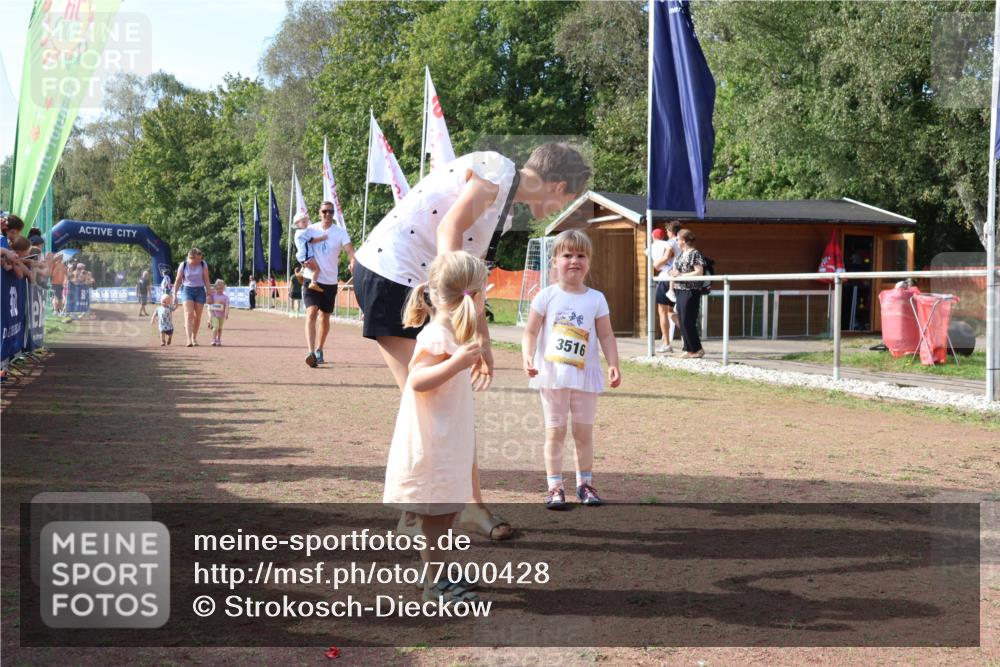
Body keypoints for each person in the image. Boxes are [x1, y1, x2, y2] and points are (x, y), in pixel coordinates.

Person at [354, 141, 591, 540]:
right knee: (433, 407)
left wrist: (481, 335)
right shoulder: (497, 172)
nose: (558, 209)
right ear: (559, 185)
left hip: (412, 282)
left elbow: (469, 283)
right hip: (392, 277)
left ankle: (464, 507)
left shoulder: (504, 206)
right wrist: (467, 326)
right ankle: (424, 513)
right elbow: (449, 233)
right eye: (566, 199)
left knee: (446, 405)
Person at [383, 251, 488, 606]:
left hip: (447, 438)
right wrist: (456, 363)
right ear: (472, 295)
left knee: (444, 517)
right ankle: (434, 586)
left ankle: (435, 574)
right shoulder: (436, 336)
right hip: (433, 442)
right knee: (438, 519)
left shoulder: (452, 332)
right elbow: (417, 379)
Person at [521, 230, 621, 509]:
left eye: (581, 255)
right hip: (552, 376)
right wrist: (527, 357)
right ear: (554, 261)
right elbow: (530, 332)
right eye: (567, 255)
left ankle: (585, 484)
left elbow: (606, 336)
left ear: (589, 262)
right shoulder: (545, 296)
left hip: (585, 377)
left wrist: (613, 364)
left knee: (583, 433)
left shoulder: (597, 298)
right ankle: (554, 487)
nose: (574, 260)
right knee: (555, 432)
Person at [295, 202, 355, 368]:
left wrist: (352, 261)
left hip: (329, 281)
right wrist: (302, 261)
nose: (327, 214)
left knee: (325, 316)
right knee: (312, 312)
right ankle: (311, 352)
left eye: (330, 212)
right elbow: (299, 244)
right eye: (324, 212)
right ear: (319, 212)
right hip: (311, 278)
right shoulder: (310, 229)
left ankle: (320, 349)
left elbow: (350, 250)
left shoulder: (340, 232)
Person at [669, 229, 709, 359]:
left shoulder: (695, 254)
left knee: (687, 320)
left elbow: (699, 272)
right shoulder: (681, 254)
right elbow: (676, 269)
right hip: (680, 289)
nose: (677, 242)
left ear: (684, 241)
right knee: (681, 319)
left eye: (678, 239)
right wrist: (673, 273)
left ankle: (696, 349)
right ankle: (688, 348)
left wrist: (681, 275)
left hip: (691, 290)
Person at [651, 222, 682, 353]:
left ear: (671, 231)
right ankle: (687, 337)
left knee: (662, 312)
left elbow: (665, 258)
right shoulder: (683, 242)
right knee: (671, 312)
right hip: (679, 277)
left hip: (666, 277)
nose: (667, 234)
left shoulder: (671, 242)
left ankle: (666, 343)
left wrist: (656, 264)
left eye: (668, 231)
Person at [172, 248, 211, 347]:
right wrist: (174, 295)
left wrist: (209, 294)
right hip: (187, 290)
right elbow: (178, 280)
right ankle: (188, 339)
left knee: (197, 317)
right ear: (191, 258)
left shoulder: (203, 264)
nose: (199, 261)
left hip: (200, 290)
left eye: (200, 259)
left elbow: (206, 279)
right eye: (197, 259)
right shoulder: (183, 265)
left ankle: (194, 338)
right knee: (189, 314)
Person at [207, 279, 230, 346]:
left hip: (221, 316)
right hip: (214, 315)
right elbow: (208, 302)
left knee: (220, 328)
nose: (219, 290)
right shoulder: (213, 295)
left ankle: (218, 339)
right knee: (215, 327)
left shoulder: (226, 297)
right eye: (218, 288)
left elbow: (227, 306)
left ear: (224, 288)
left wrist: (226, 313)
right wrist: (209, 296)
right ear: (215, 288)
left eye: (221, 288)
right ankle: (213, 340)